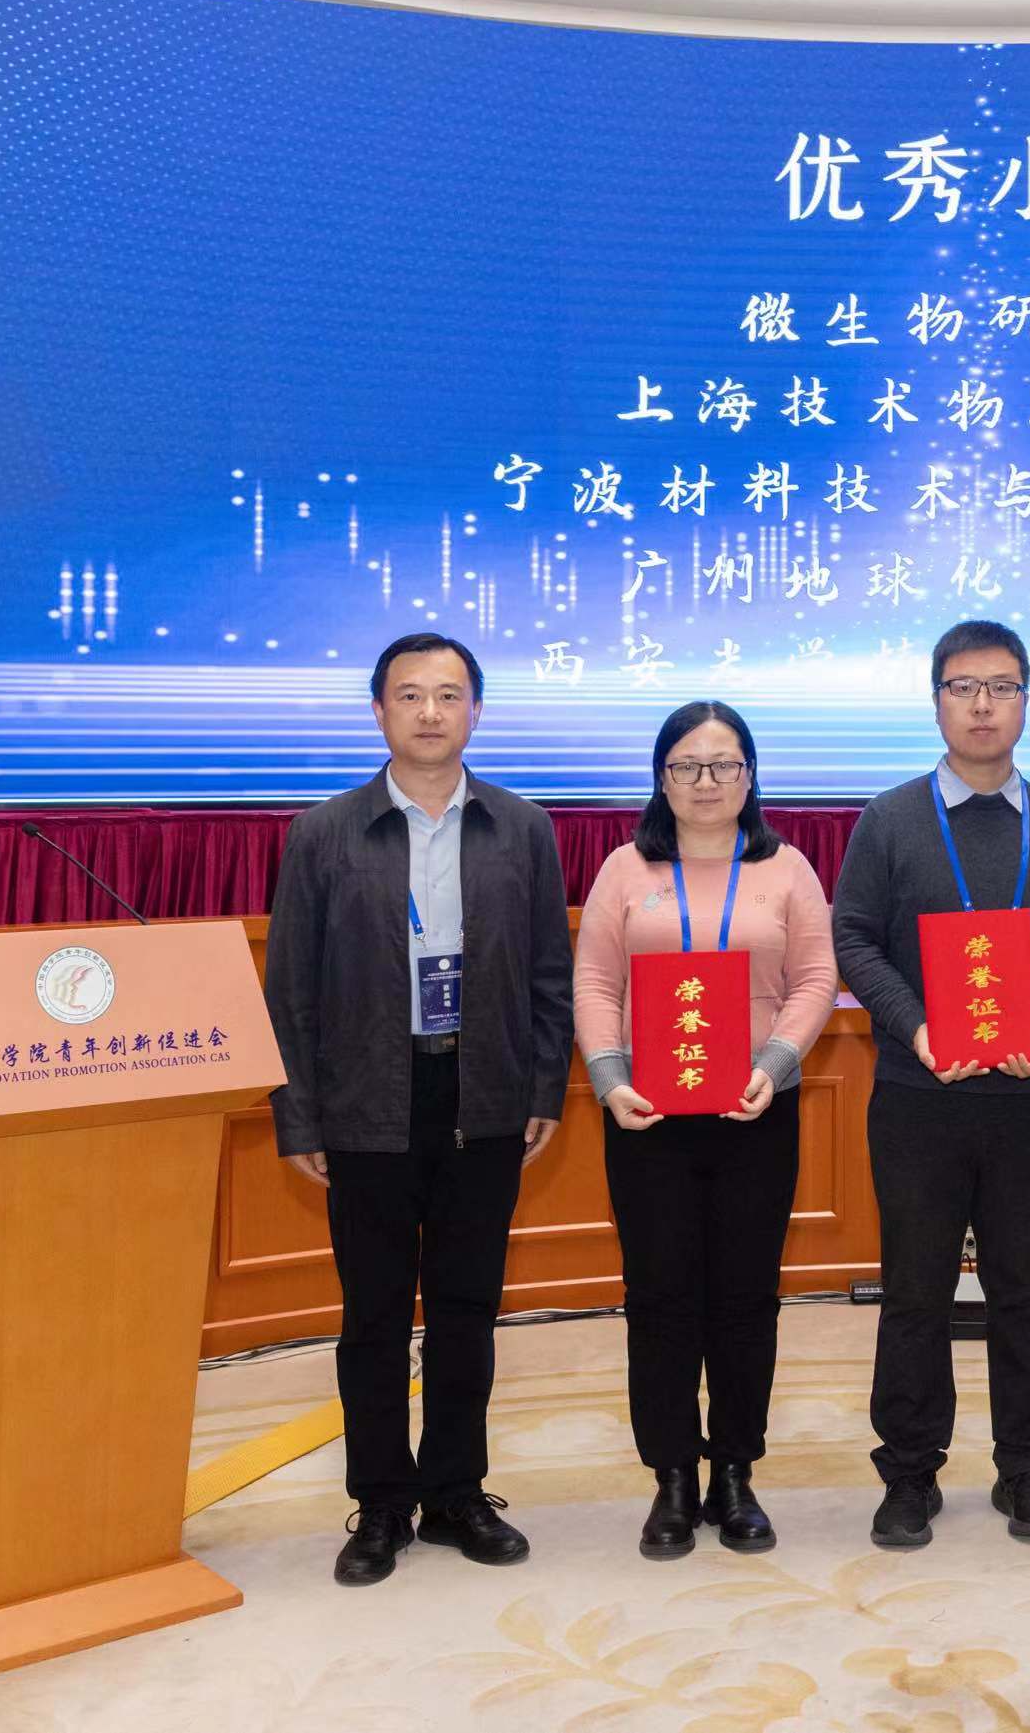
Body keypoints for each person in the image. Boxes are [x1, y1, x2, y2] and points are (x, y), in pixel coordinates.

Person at [264, 631, 575, 1587]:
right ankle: (381, 1502)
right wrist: (301, 1116)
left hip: (483, 1091)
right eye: (409, 695)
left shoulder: (522, 827)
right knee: (373, 1314)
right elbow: (290, 989)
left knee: (467, 1309)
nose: (430, 712)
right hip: (368, 1093)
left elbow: (549, 975)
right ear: (378, 711)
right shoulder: (324, 832)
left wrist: (542, 1089)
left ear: (476, 710)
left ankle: (455, 1492)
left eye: (448, 694)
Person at [832, 619, 1030, 1551]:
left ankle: (1025, 1469)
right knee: (914, 1290)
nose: (983, 705)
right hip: (918, 1095)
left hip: (1028, 1097)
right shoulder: (889, 819)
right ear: (937, 701)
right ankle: (909, 1473)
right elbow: (854, 938)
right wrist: (915, 1026)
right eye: (963, 687)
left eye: (1001, 686)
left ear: (1027, 699)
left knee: (1022, 1289)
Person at [576, 701, 837, 1560]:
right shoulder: (625, 869)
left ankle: (734, 1470)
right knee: (659, 1296)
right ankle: (672, 1477)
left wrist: (776, 1062)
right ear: (662, 778)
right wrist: (609, 1079)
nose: (706, 781)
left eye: (724, 764)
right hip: (646, 1115)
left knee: (744, 1295)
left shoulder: (786, 868)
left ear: (750, 776)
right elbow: (596, 981)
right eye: (687, 765)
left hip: (754, 1107)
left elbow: (815, 977)